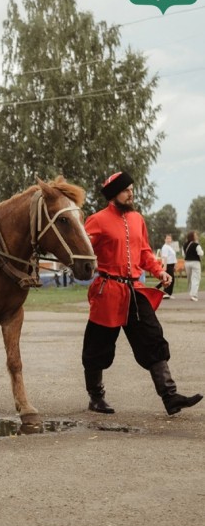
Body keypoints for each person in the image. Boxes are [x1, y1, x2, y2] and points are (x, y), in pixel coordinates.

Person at [81, 172, 203, 416]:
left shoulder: (137, 219)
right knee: (97, 347)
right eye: (126, 190)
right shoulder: (97, 220)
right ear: (114, 193)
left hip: (134, 291)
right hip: (108, 293)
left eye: (132, 189)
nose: (131, 193)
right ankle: (96, 397)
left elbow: (145, 252)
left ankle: (170, 397)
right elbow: (81, 249)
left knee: (152, 338)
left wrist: (160, 272)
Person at [183, 230, 203, 301]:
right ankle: (193, 295)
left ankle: (191, 292)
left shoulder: (185, 245)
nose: (197, 236)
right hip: (195, 263)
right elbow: (201, 253)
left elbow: (183, 254)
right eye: (195, 235)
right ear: (193, 237)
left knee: (190, 278)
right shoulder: (196, 245)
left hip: (187, 263)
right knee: (196, 278)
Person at [159, 234, 177, 298]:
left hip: (171, 264)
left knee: (170, 279)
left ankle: (168, 293)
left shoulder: (170, 247)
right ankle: (166, 292)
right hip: (168, 264)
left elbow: (173, 257)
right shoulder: (165, 247)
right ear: (165, 239)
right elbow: (165, 257)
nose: (169, 240)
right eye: (167, 238)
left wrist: (174, 265)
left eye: (170, 238)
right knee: (169, 279)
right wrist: (165, 266)